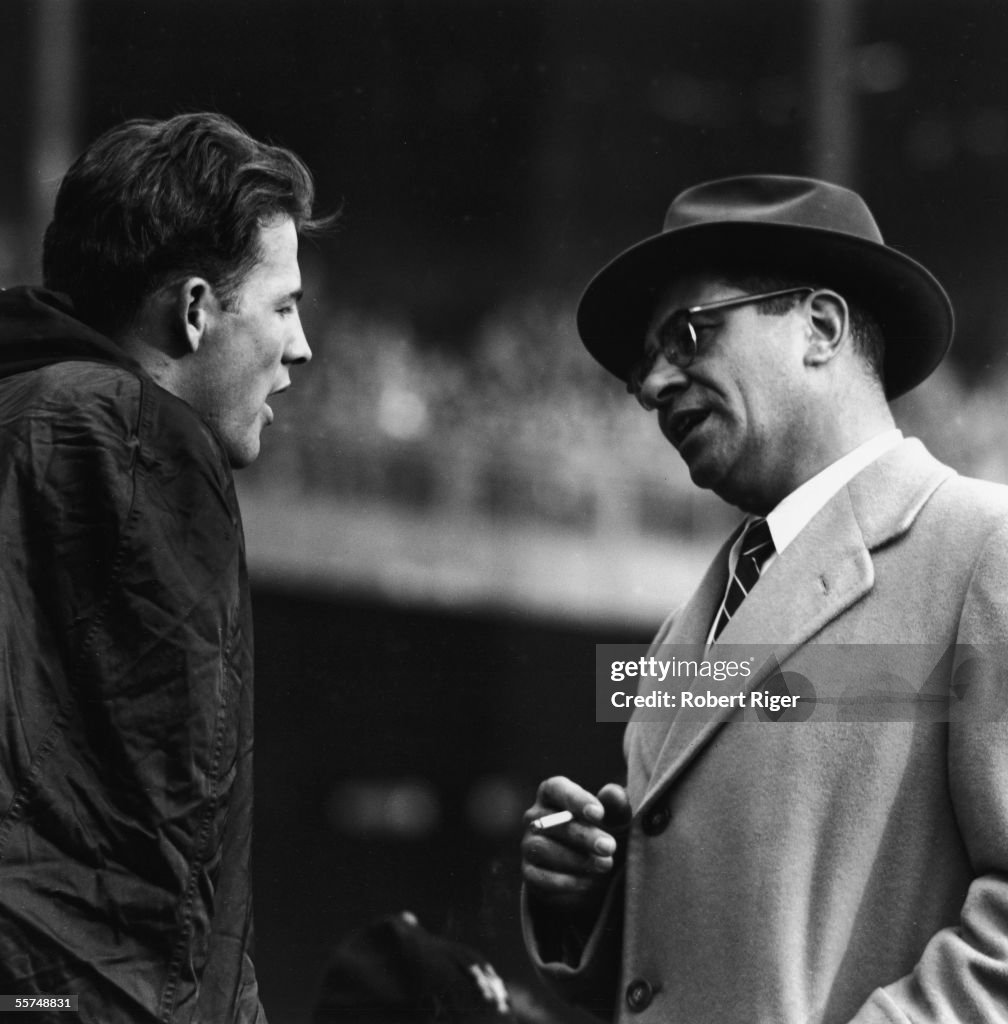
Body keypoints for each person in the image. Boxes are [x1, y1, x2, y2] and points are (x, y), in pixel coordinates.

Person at [520, 175, 1008, 1023]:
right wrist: (590, 897)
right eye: (642, 364)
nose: (652, 385)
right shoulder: (683, 628)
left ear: (820, 328)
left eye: (689, 334)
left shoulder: (982, 549)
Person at [0, 112, 330, 1022]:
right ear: (192, 311)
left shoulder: (23, 402)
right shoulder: (141, 437)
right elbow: (173, 819)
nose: (301, 347)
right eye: (285, 305)